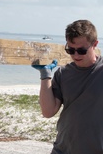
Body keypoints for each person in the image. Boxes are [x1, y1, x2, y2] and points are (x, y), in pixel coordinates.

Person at [33, 19, 103, 154]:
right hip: (63, 149)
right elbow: (48, 112)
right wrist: (45, 75)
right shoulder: (62, 73)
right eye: (70, 50)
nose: (75, 55)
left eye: (81, 50)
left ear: (95, 44)